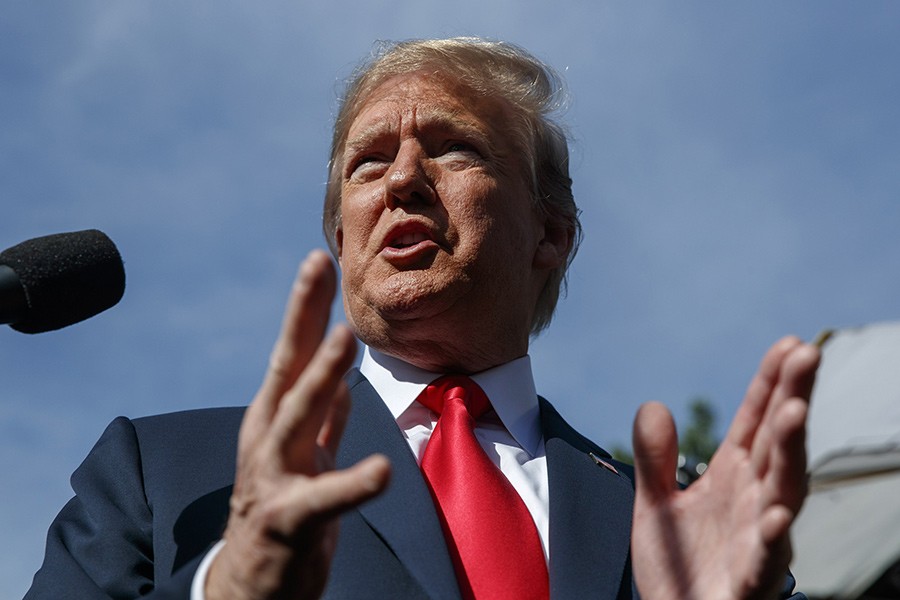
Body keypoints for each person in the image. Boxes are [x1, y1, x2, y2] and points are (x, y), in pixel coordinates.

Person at [26, 37, 820, 599]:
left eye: (453, 147)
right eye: (367, 162)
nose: (402, 177)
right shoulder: (167, 474)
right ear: (343, 239)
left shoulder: (667, 526)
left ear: (550, 232)